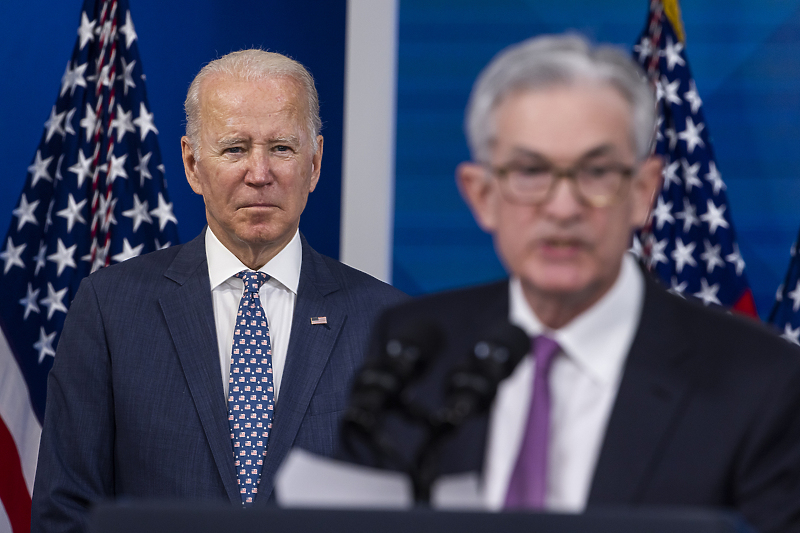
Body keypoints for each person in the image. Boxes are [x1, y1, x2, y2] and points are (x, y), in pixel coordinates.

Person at [366, 35, 800, 532]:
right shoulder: (414, 347)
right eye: (530, 171)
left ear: (642, 193)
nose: (563, 208)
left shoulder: (760, 382)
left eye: (596, 172)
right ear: (482, 194)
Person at [31, 49, 406, 530]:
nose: (259, 173)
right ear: (192, 164)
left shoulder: (387, 322)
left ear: (314, 164)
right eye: (234, 148)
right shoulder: (109, 309)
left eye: (282, 149)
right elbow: (64, 511)